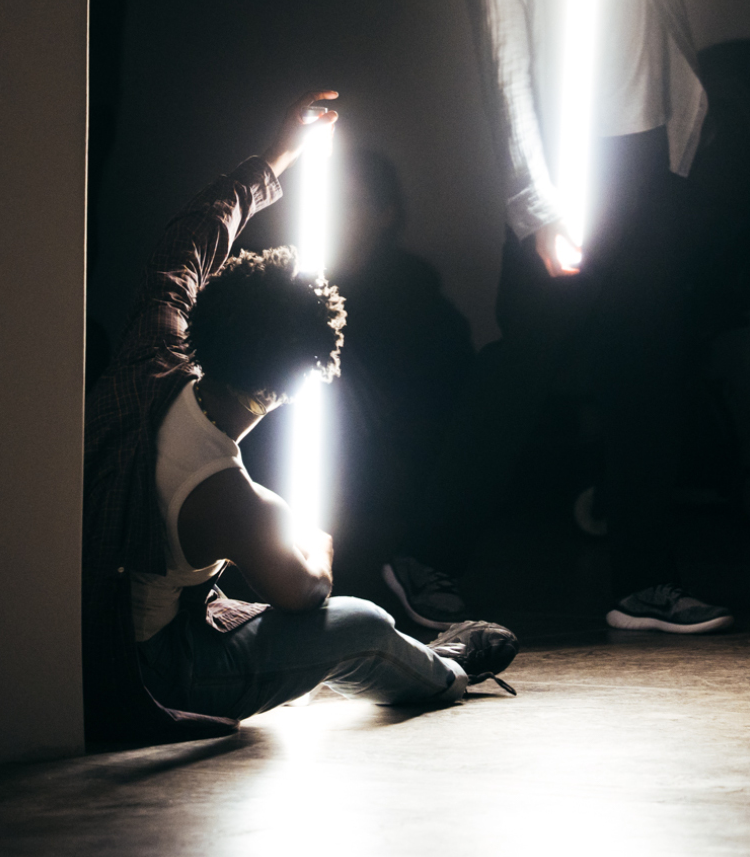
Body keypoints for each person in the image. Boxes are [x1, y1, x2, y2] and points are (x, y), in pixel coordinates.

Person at [383, 0, 741, 635]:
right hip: (569, 177)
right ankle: (423, 559)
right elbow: (506, 84)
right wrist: (540, 209)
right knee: (524, 370)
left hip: (648, 164)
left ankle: (645, 584)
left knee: (648, 371)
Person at [82, 91, 518, 745]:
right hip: (147, 669)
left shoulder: (154, 349)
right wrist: (305, 535)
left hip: (79, 622)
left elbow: (190, 236)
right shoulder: (223, 492)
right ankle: (445, 672)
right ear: (289, 388)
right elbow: (306, 590)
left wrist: (279, 153)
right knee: (363, 624)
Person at [326, 149, 475, 580]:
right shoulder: (295, 297)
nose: (336, 216)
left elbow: (437, 419)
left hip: (389, 494)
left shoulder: (422, 309)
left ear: (384, 213)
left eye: (351, 203)